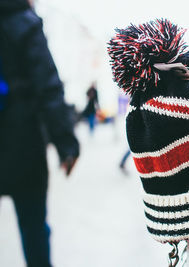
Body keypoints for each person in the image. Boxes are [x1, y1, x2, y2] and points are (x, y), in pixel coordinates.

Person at [0, 1, 79, 266]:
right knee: (34, 229)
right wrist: (66, 143)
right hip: (24, 144)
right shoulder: (24, 22)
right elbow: (48, 88)